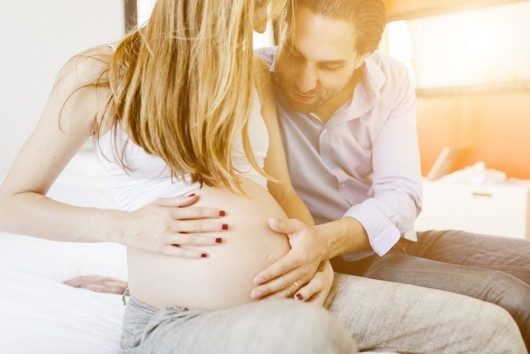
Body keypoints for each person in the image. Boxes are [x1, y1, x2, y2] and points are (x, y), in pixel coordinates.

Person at [3, 0, 525, 353]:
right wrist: (125, 228)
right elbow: (12, 201)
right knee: (306, 335)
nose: (261, 23)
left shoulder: (250, 73)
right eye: (256, 9)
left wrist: (314, 256)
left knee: (492, 327)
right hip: (181, 316)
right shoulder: (99, 76)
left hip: (300, 286)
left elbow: (280, 186)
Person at [250, 0, 530, 349]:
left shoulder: (392, 79)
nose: (304, 81)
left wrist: (328, 238)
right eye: (294, 53)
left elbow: (400, 192)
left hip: (390, 238)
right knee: (514, 298)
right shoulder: (252, 78)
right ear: (284, 31)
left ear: (362, 55)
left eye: (330, 65)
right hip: (338, 263)